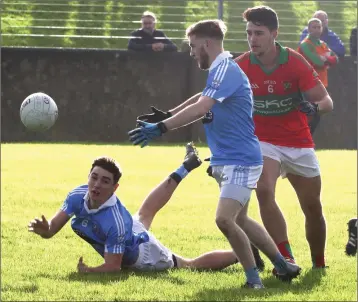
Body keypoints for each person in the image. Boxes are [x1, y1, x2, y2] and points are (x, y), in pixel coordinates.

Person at [129, 19, 301, 288]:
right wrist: (170, 114)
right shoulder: (220, 70)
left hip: (241, 160)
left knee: (224, 219)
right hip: (229, 159)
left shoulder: (225, 69)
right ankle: (283, 266)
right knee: (241, 219)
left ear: (207, 43)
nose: (191, 52)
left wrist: (162, 127)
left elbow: (201, 107)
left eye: (193, 46)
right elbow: (202, 97)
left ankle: (254, 281)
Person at [28, 144, 245, 273]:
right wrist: (45, 229)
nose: (96, 185)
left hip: (144, 254)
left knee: (187, 265)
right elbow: (51, 230)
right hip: (132, 229)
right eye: (94, 177)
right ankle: (186, 165)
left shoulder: (115, 222)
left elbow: (114, 267)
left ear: (115, 188)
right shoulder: (77, 195)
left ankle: (243, 254)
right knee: (145, 212)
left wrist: (89, 271)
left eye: (104, 181)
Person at [235, 6, 333, 272]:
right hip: (263, 141)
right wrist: (169, 119)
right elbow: (208, 95)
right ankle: (286, 259)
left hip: (298, 142)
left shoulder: (295, 61)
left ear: (274, 34)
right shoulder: (241, 65)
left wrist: (314, 109)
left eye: (259, 33)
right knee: (264, 190)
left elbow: (326, 101)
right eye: (249, 33)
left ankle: (319, 264)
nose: (252, 39)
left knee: (312, 207)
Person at [297, 18, 338, 134]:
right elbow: (318, 62)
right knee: (308, 115)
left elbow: (335, 59)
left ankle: (307, 142)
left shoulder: (323, 44)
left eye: (318, 27)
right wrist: (325, 59)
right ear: (309, 29)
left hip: (321, 84)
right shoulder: (305, 45)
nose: (316, 29)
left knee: (316, 115)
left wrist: (324, 59)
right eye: (313, 27)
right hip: (307, 85)